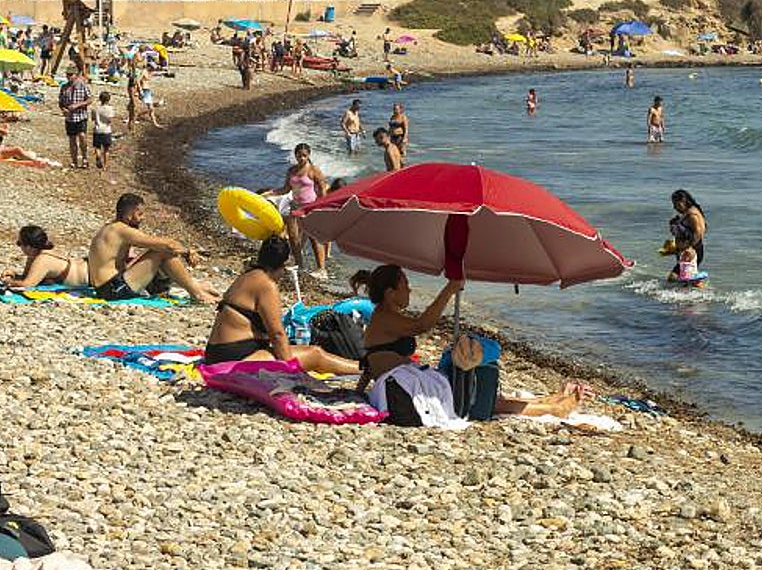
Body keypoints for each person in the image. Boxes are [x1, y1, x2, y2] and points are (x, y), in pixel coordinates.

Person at [352, 266, 592, 417]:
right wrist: (449, 289)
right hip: (404, 390)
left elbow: (371, 361)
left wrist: (358, 394)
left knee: (473, 388)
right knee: (479, 397)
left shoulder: (384, 317)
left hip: (404, 385)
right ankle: (552, 409)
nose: (410, 290)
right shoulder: (385, 317)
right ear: (390, 293)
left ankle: (543, 402)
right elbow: (422, 325)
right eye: (405, 285)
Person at [203, 236, 359, 372]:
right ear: (283, 264)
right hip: (234, 359)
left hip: (217, 353)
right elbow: (277, 334)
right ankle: (363, 369)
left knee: (308, 351)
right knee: (315, 354)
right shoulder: (266, 285)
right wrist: (289, 368)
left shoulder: (247, 276)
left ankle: (360, 367)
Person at [87, 192, 219, 303]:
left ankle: (197, 287)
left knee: (156, 253)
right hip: (113, 291)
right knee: (163, 252)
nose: (143, 218)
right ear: (129, 215)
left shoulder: (110, 228)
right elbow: (168, 245)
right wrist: (187, 252)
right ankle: (197, 294)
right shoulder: (123, 230)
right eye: (140, 214)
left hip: (107, 288)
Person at [279, 143, 328, 277]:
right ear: (295, 156)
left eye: (304, 156)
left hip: (310, 207)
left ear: (308, 155)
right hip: (295, 207)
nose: (301, 158)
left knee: (314, 238)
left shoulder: (313, 170)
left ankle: (322, 269)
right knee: (293, 237)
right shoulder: (291, 171)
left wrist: (321, 206)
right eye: (299, 155)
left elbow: (322, 189)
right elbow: (286, 189)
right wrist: (270, 193)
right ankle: (299, 265)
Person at [1, 225, 88, 288]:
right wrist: (14, 275)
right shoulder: (35, 255)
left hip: (88, 276)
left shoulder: (42, 260)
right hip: (85, 267)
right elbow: (27, 277)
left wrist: (9, 282)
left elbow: (27, 284)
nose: (19, 246)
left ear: (28, 246)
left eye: (19, 243)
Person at [667, 190, 706, 281]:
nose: (674, 207)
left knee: (674, 277)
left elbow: (698, 233)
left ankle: (701, 288)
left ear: (684, 201)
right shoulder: (687, 213)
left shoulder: (693, 215)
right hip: (686, 251)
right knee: (687, 278)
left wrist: (690, 248)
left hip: (691, 251)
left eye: (677, 204)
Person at [58, 65, 91, 169]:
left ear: (76, 75)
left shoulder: (83, 86)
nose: (68, 77)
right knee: (72, 139)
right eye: (67, 75)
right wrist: (63, 109)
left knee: (82, 136)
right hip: (69, 118)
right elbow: (60, 102)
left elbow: (89, 100)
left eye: (70, 75)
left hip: (81, 116)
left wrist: (78, 105)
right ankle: (74, 160)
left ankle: (85, 158)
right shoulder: (64, 87)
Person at [91, 90, 115, 169]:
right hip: (106, 130)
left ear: (100, 99)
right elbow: (110, 120)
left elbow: (93, 119)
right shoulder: (110, 109)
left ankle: (98, 156)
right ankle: (105, 166)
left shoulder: (95, 109)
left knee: (97, 147)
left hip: (97, 130)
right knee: (106, 150)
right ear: (108, 99)